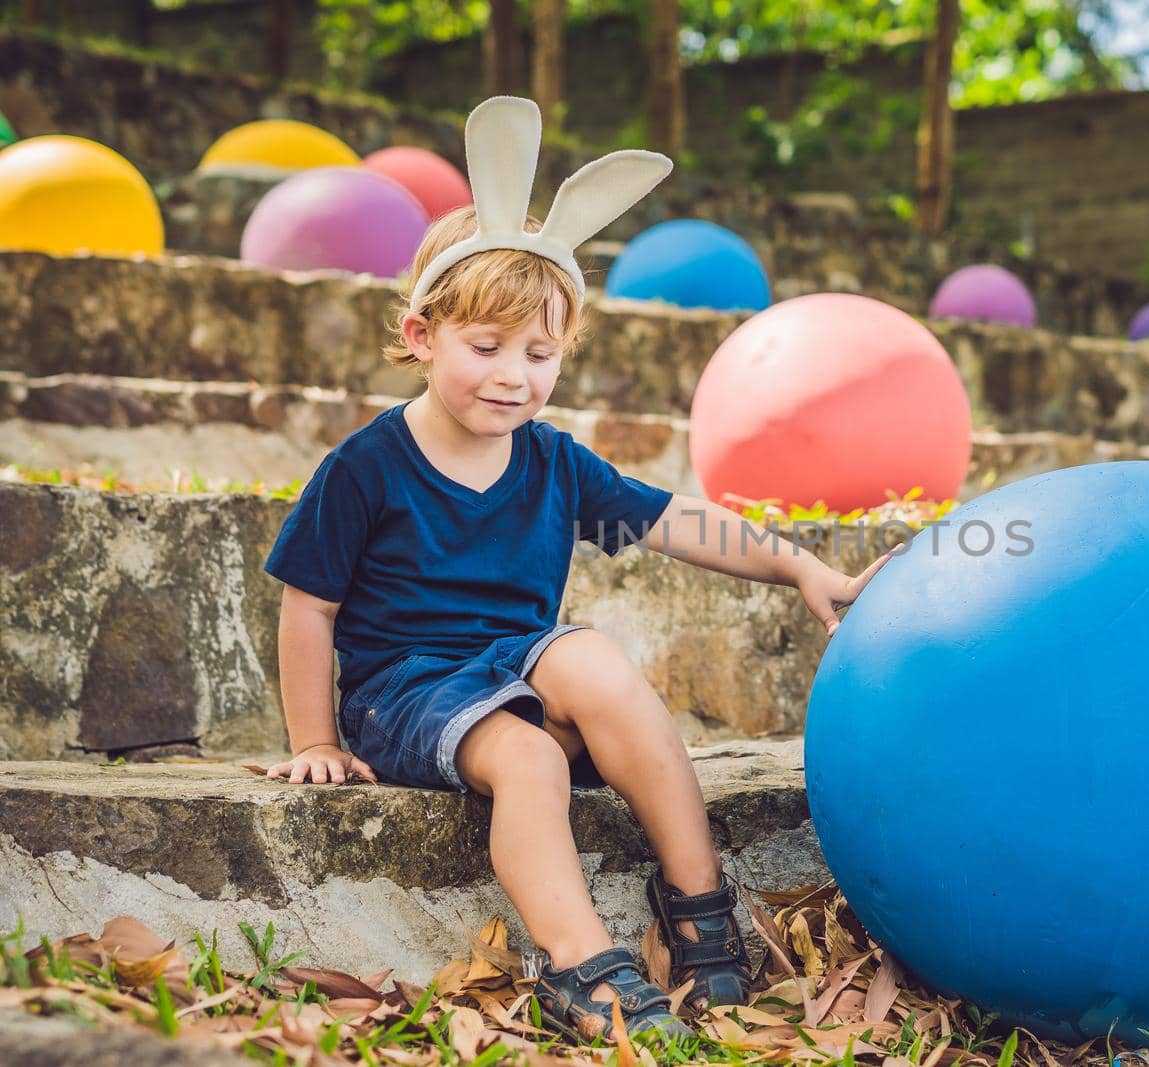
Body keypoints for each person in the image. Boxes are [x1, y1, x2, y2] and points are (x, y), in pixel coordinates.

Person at [261, 97, 890, 1046]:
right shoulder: (368, 465)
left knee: (593, 659)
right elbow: (308, 604)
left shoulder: (551, 461)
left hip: (516, 660)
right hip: (409, 690)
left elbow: (677, 522)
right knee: (528, 756)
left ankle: (697, 909)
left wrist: (800, 564)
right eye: (486, 347)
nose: (514, 375)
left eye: (540, 352)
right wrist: (315, 736)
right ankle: (579, 962)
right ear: (423, 333)